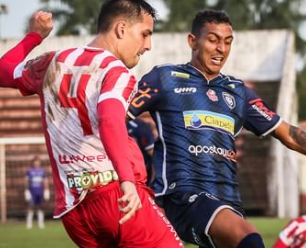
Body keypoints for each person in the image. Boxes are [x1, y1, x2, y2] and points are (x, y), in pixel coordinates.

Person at [128, 9, 306, 248]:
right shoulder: (166, 77)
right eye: (212, 40)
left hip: (229, 201)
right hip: (184, 196)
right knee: (251, 241)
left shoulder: (238, 91)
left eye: (227, 42)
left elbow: (287, 133)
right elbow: (117, 116)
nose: (221, 49)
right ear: (192, 41)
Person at [0, 1, 183, 247]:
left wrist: (35, 36)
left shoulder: (54, 62)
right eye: (145, 34)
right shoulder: (115, 71)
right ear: (121, 29)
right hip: (115, 194)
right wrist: (127, 181)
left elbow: (3, 70)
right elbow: (109, 119)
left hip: (74, 211)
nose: (148, 45)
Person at [127, 118, 155, 185]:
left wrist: (154, 181)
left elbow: (154, 155)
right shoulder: (104, 126)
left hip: (142, 175)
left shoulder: (140, 127)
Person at [25, 156, 50, 229]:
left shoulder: (42, 171)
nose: (36, 164)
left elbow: (45, 181)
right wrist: (26, 190)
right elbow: (26, 181)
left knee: (41, 207)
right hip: (32, 191)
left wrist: (46, 190)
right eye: (35, 162)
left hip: (40, 191)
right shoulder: (29, 171)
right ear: (33, 163)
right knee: (31, 207)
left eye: (38, 162)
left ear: (40, 163)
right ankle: (29, 223)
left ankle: (41, 223)